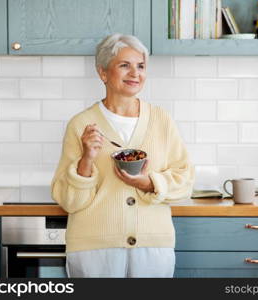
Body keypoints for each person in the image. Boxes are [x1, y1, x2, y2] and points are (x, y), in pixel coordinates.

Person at [51, 33, 195, 278]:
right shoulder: (81, 125)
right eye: (124, 65)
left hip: (153, 247)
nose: (135, 73)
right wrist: (86, 159)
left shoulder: (161, 120)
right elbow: (69, 200)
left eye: (140, 66)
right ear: (103, 73)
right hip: (94, 249)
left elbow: (185, 180)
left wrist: (150, 183)